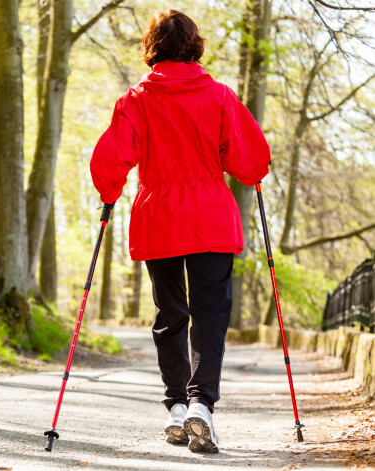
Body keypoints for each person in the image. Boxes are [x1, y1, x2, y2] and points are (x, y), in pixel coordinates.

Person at [90, 9, 271, 454]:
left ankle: (176, 406)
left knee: (170, 316)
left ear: (152, 47)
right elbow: (249, 161)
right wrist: (255, 170)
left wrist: (110, 193)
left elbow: (110, 159)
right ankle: (200, 405)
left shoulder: (136, 100)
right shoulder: (221, 97)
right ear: (194, 46)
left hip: (160, 218)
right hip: (209, 216)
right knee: (210, 315)